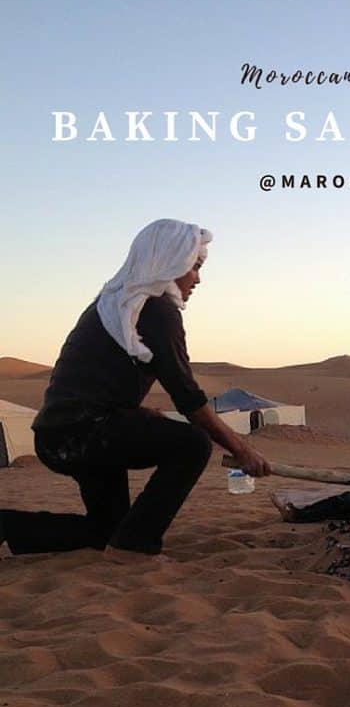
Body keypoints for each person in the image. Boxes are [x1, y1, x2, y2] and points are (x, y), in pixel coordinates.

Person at [0, 218, 271, 562]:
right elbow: (187, 397)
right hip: (85, 435)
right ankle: (136, 547)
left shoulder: (114, 304)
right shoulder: (155, 309)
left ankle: (8, 527)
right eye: (194, 267)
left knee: (106, 530)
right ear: (170, 262)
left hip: (62, 435)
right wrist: (242, 449)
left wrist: (136, 414)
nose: (197, 280)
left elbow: (92, 383)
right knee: (192, 444)